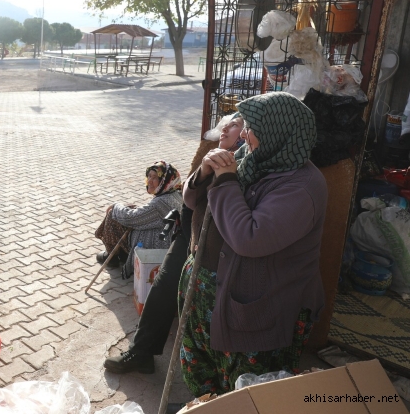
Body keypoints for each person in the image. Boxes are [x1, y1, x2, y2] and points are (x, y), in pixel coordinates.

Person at [179, 92, 327, 396]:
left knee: (247, 392)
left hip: (255, 312)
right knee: (203, 372)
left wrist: (225, 181)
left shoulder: (301, 186)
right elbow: (193, 201)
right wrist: (205, 171)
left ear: (278, 131)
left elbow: (249, 238)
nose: (244, 134)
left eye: (252, 128)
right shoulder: (252, 158)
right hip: (208, 292)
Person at [104, 114, 244, 374]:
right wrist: (203, 172)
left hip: (216, 245)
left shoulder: (246, 163)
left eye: (235, 125)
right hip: (189, 234)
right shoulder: (213, 155)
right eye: (227, 123)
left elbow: (236, 215)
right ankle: (142, 352)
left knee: (196, 304)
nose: (225, 127)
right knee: (162, 287)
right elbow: (189, 199)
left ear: (247, 134)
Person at [94, 161, 183, 277]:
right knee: (128, 209)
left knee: (113, 216)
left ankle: (113, 256)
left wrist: (116, 205)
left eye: (155, 178)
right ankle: (122, 253)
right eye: (149, 176)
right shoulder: (176, 194)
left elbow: (130, 218)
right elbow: (145, 213)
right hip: (168, 241)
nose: (149, 180)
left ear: (164, 180)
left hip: (156, 245)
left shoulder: (161, 203)